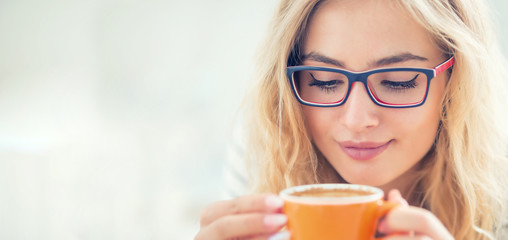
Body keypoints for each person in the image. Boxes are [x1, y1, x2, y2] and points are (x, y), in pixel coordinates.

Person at [196, 0, 508, 239]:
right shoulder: (264, 143)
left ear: (457, 81)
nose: (357, 120)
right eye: (323, 80)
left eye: (398, 81)